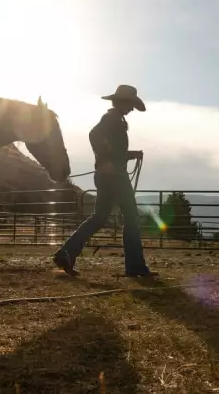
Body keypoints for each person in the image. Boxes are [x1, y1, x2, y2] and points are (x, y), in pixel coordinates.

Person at [53, 84, 156, 277]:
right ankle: (135, 266)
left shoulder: (114, 119)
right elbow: (95, 136)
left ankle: (66, 252)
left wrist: (126, 155)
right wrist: (107, 159)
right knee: (131, 218)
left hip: (107, 174)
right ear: (122, 102)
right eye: (130, 104)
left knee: (99, 217)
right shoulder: (111, 120)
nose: (131, 108)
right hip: (115, 175)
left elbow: (111, 148)